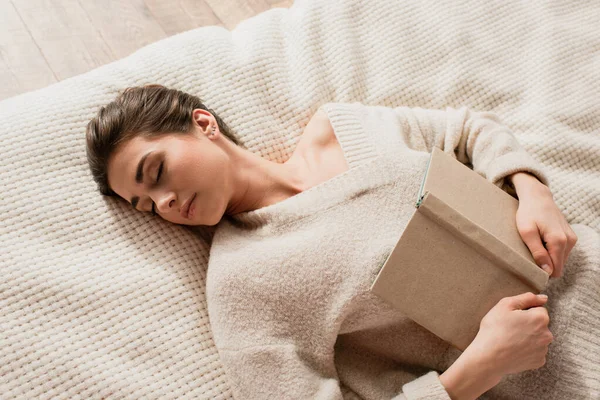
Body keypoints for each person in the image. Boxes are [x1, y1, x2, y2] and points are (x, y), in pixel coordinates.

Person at [86, 84, 599, 400]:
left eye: (155, 173)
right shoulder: (242, 282)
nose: (165, 203)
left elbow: (467, 130)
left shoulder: (341, 128)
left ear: (203, 124)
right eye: (147, 206)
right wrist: (478, 369)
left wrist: (531, 188)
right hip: (558, 381)